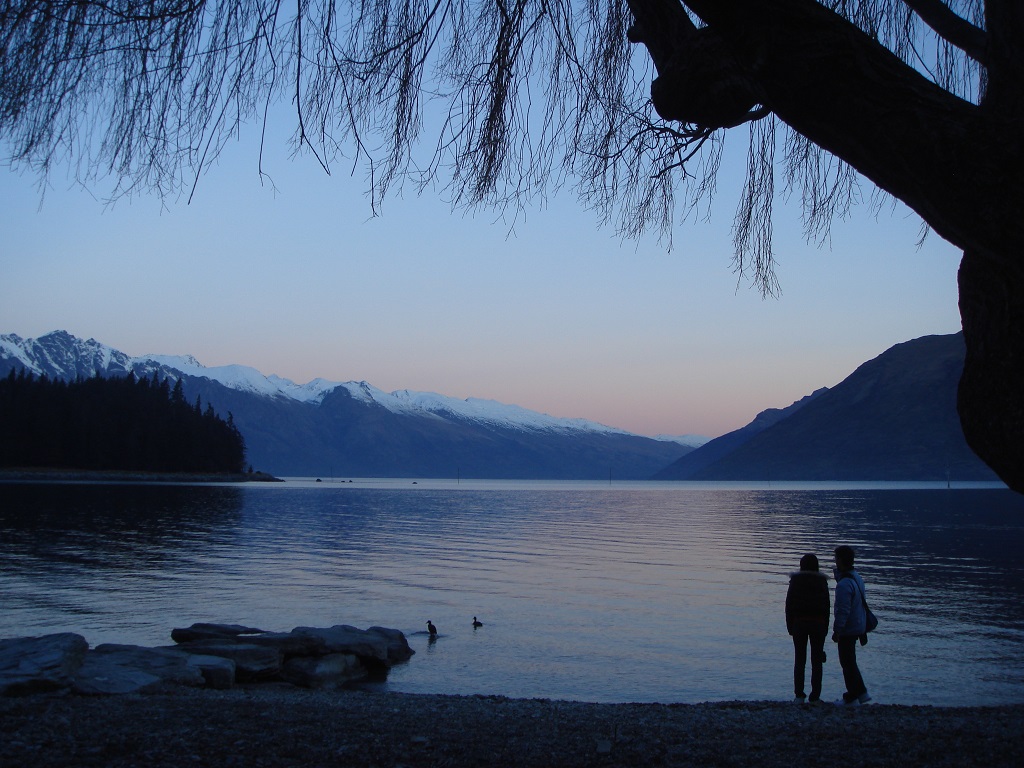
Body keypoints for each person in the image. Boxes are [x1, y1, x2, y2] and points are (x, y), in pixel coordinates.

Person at [785, 553, 830, 703]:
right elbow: (827, 607)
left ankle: (799, 695)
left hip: (799, 623)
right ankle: (815, 696)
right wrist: (826, 628)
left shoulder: (795, 581)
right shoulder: (822, 582)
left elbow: (788, 605)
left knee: (800, 660)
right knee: (816, 661)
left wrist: (790, 626)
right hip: (818, 624)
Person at [832, 545, 871, 705]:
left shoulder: (844, 584)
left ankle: (853, 696)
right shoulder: (857, 577)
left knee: (847, 662)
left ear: (840, 560)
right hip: (858, 625)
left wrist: (837, 630)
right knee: (850, 661)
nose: (834, 561)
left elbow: (843, 610)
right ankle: (860, 693)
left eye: (836, 558)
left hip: (849, 628)